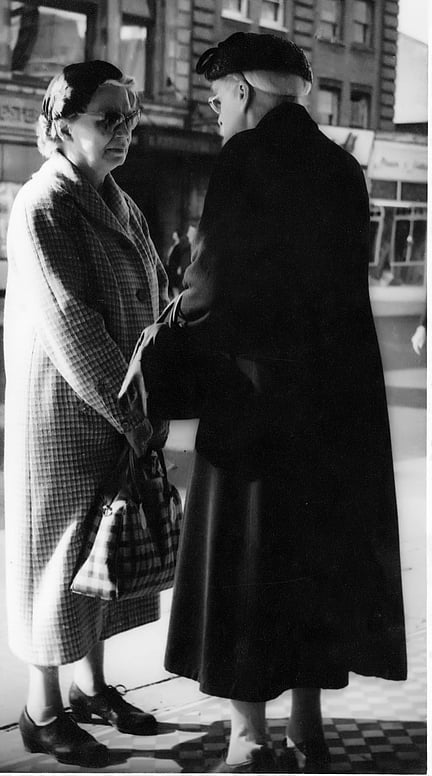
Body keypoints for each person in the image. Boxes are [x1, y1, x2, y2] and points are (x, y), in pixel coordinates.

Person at [159, 33, 407, 773]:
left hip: (256, 399)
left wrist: (173, 322)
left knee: (248, 558)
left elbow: (212, 283)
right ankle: (308, 726)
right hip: (333, 401)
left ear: (242, 92)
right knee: (312, 555)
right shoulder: (342, 167)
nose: (215, 116)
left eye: (215, 101)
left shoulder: (245, 160)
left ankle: (248, 736)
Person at [3, 60, 169, 767]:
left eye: (130, 116)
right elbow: (74, 327)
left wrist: (161, 386)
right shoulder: (42, 205)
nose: (125, 130)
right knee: (54, 562)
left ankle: (92, 687)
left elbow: (159, 292)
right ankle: (42, 711)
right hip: (64, 422)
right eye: (109, 119)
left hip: (115, 414)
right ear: (61, 126)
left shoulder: (117, 199)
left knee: (99, 562)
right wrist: (138, 414)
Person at [166, 225, 192, 296]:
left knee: (176, 286)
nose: (173, 235)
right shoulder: (176, 245)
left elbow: (179, 258)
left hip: (176, 269)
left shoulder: (180, 246)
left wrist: (179, 267)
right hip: (174, 269)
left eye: (175, 233)